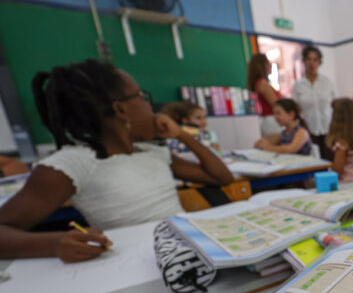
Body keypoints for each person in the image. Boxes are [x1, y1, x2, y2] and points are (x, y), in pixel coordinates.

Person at [0, 59, 233, 262]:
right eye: (142, 97)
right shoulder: (74, 163)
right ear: (121, 110)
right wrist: (54, 243)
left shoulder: (152, 153)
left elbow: (221, 177)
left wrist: (181, 134)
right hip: (131, 266)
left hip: (188, 251)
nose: (150, 106)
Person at [292, 45, 335, 160]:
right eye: (309, 59)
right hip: (309, 132)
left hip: (328, 130)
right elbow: (296, 110)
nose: (312, 63)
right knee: (313, 162)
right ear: (304, 61)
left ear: (319, 62)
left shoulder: (327, 82)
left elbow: (335, 106)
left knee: (330, 160)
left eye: (315, 59)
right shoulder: (298, 85)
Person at [246, 53, 283, 137]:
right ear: (264, 66)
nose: (270, 66)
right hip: (272, 121)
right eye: (268, 63)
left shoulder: (259, 83)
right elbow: (277, 105)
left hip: (270, 121)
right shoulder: (262, 83)